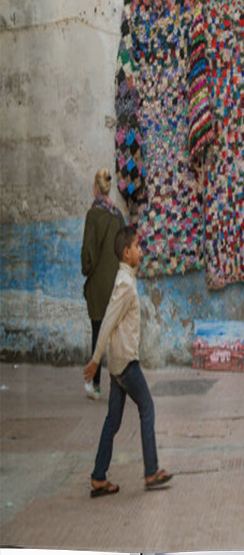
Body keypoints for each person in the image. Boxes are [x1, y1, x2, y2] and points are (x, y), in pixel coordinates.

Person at [83, 226, 172, 497]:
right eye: (138, 247)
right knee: (147, 407)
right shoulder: (124, 283)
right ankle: (151, 470)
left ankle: (99, 476)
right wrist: (96, 359)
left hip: (118, 362)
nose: (141, 251)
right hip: (125, 363)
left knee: (114, 419)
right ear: (126, 252)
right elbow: (108, 321)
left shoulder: (126, 278)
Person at [81, 168, 125, 400]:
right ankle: (120, 384)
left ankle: (94, 384)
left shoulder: (93, 215)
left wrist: (86, 270)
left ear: (96, 188)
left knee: (98, 334)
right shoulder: (117, 215)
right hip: (116, 285)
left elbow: (87, 254)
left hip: (98, 286)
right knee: (116, 337)